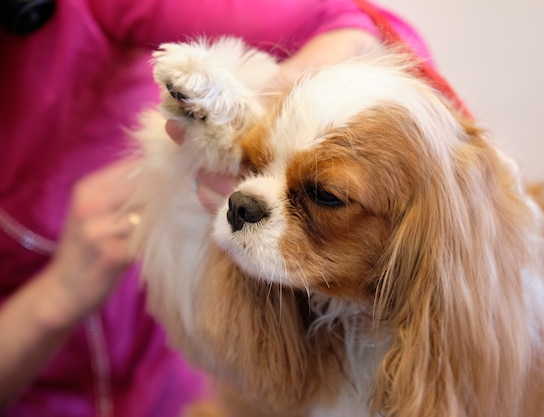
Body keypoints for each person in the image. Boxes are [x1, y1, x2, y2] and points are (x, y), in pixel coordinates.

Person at [0, 1, 433, 416]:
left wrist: (283, 91)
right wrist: (57, 294)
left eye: (323, 194)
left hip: (207, 382)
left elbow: (363, 30)